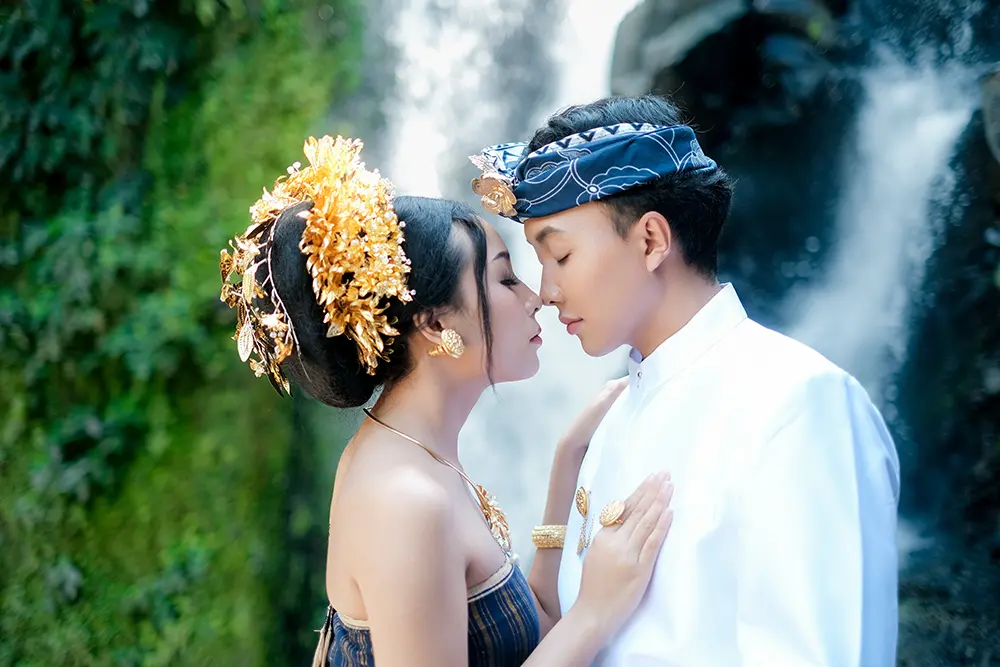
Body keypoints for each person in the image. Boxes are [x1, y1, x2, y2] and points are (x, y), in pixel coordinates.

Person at [469, 95, 901, 666]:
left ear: (651, 240)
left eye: (561, 256)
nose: (546, 293)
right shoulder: (614, 418)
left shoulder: (797, 404)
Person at [218, 135, 675, 667]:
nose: (537, 298)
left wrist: (567, 460)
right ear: (435, 325)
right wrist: (594, 614)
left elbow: (535, 631)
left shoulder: (416, 456)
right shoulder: (404, 501)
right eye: (506, 279)